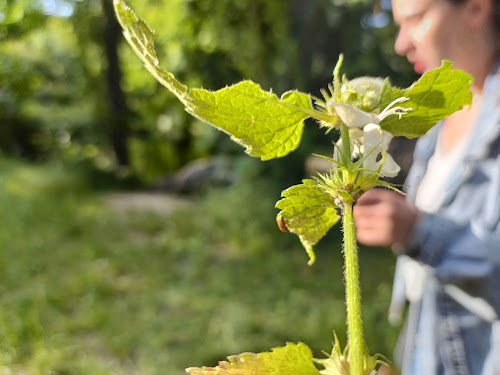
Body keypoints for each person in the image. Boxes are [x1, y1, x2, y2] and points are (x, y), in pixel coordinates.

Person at [353, 0, 500, 374]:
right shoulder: (440, 118)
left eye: (415, 19)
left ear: (475, 8)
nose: (401, 43)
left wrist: (418, 230)